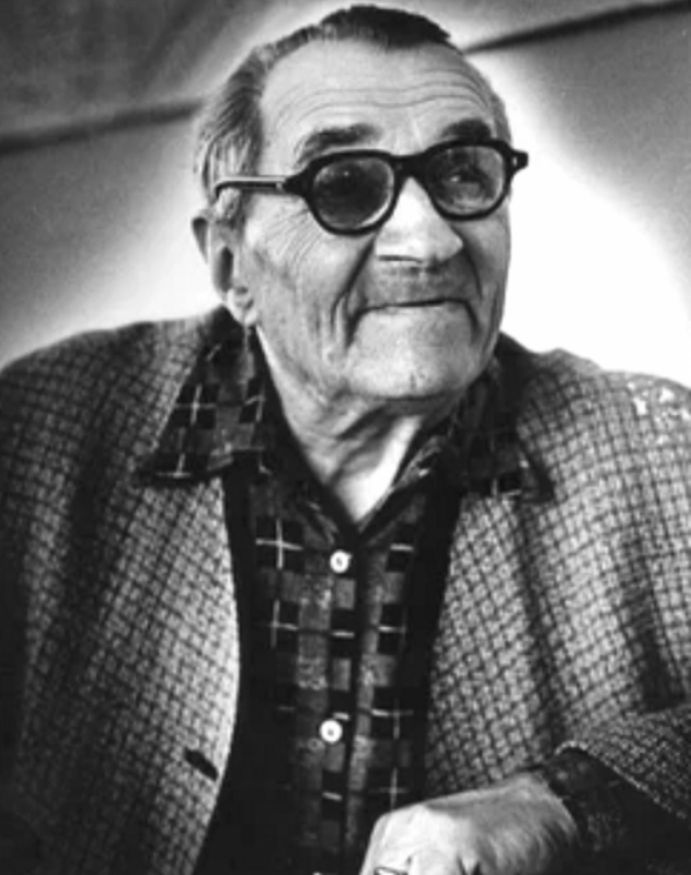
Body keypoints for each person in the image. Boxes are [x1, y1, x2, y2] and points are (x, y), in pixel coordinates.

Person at [0, 5, 690, 875]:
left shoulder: (660, 448)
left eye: (462, 172)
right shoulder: (35, 438)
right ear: (230, 265)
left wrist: (564, 803)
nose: (431, 239)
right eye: (344, 185)